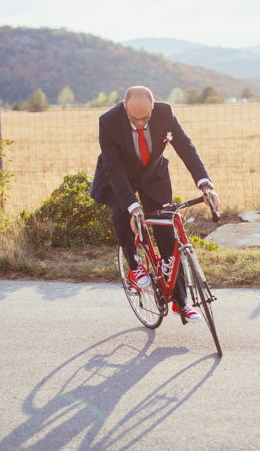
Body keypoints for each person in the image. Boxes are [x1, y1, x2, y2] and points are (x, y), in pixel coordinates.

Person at [90, 85, 220, 323]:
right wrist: (133, 206)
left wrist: (205, 185)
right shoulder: (108, 121)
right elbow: (114, 169)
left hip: (153, 176)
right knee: (122, 215)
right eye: (133, 118)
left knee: (167, 230)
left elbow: (185, 147)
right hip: (119, 177)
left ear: (153, 105)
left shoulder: (166, 113)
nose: (140, 123)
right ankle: (134, 266)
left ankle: (182, 303)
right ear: (123, 106)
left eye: (145, 117)